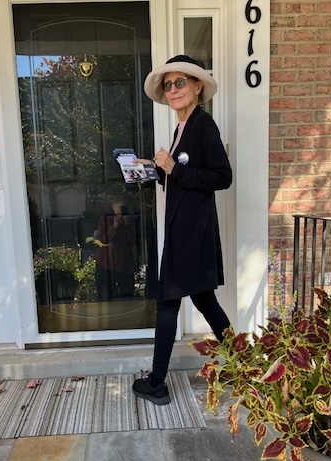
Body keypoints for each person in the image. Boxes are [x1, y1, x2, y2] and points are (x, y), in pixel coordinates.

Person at [132, 55, 233, 405]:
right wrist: (154, 170)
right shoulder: (181, 128)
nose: (173, 89)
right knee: (203, 298)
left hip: (193, 232)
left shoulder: (204, 126)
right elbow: (180, 179)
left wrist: (174, 167)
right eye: (168, 84)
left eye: (180, 83)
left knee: (167, 302)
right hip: (184, 230)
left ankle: (157, 383)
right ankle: (247, 367)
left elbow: (222, 176)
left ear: (197, 87)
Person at [94, 199, 136, 301]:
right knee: (105, 297)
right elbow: (102, 241)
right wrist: (114, 226)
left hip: (124, 263)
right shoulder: (106, 218)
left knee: (127, 296)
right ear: (113, 207)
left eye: (124, 208)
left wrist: (128, 225)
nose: (122, 211)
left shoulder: (130, 220)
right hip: (106, 263)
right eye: (120, 208)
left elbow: (134, 241)